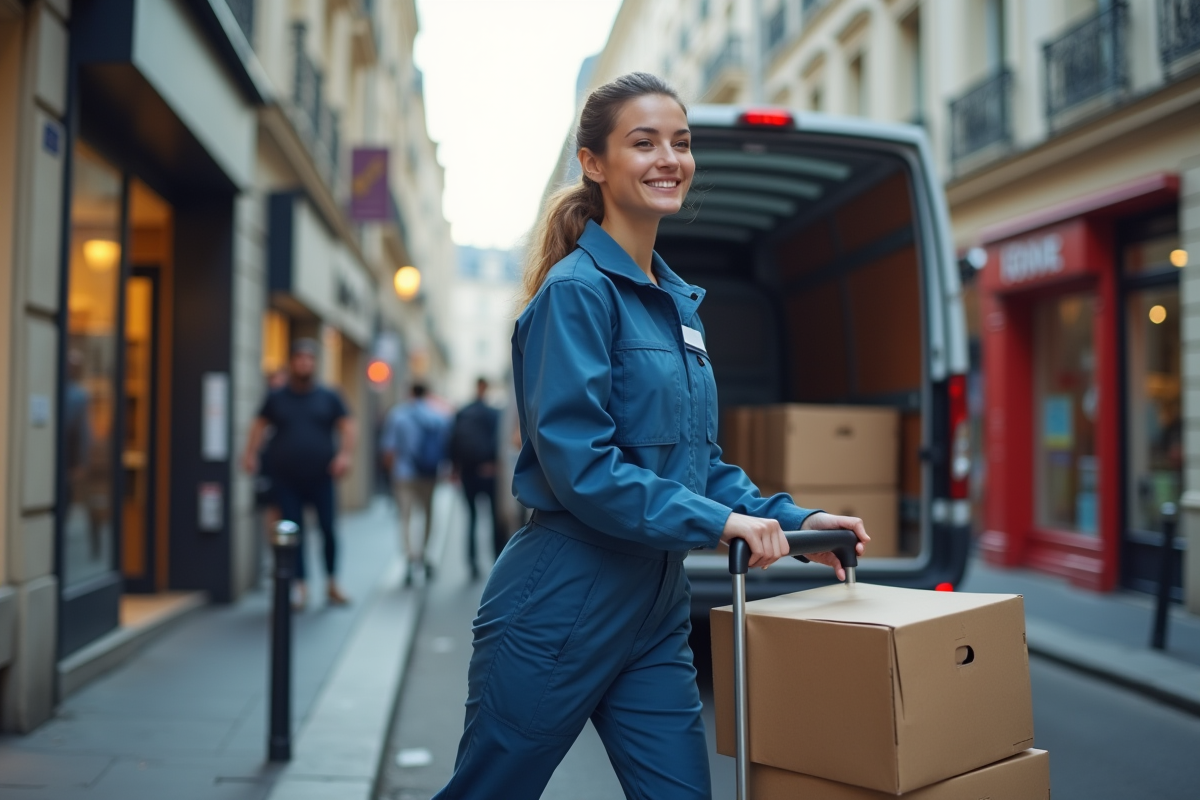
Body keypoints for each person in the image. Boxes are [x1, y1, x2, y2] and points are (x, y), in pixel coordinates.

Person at [432, 73, 870, 800]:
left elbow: (697, 464)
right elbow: (584, 468)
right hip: (560, 598)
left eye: (682, 142)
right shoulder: (575, 294)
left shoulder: (677, 306)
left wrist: (798, 522)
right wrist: (718, 523)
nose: (670, 158)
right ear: (594, 163)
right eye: (645, 142)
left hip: (653, 605)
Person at [241, 339, 355, 609]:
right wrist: (250, 453)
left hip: (321, 477)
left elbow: (348, 426)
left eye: (309, 359)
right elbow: (259, 425)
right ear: (292, 362)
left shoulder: (329, 396)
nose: (304, 363)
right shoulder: (277, 397)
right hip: (286, 478)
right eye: (299, 358)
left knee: (328, 529)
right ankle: (300, 587)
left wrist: (344, 455)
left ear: (314, 363)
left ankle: (331, 583)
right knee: (293, 532)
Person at [381, 383, 451, 585]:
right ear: (427, 394)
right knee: (428, 515)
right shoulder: (437, 417)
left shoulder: (398, 415)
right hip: (429, 474)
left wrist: (390, 472)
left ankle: (410, 557)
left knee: (405, 517)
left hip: (404, 474)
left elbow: (388, 449)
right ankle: (425, 555)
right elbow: (445, 447)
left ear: (410, 393)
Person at [449, 377, 507, 580]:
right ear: (487, 388)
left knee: (471, 518)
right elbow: (500, 440)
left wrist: (455, 468)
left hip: (468, 472)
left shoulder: (463, 412)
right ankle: (497, 561)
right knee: (494, 519)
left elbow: (452, 440)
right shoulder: (494, 413)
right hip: (490, 471)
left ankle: (472, 563)